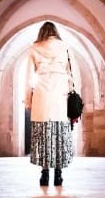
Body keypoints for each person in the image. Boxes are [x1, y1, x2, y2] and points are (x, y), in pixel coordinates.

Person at [25, 21, 76, 186]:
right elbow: (71, 74)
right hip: (60, 95)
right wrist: (71, 93)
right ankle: (58, 174)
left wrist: (28, 100)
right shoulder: (65, 47)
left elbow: (28, 78)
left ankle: (44, 173)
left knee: (43, 136)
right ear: (55, 32)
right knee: (59, 135)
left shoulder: (34, 48)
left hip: (42, 95)